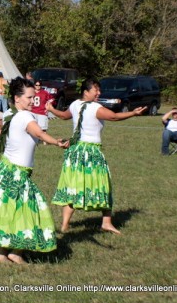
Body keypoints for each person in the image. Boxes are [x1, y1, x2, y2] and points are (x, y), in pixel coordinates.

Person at [0, 77, 69, 264]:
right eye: (29, 97)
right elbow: (37, 132)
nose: (32, 100)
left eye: (33, 97)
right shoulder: (24, 116)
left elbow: (0, 122)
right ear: (17, 98)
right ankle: (16, 252)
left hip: (6, 170)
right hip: (16, 174)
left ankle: (2, 254)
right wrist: (56, 142)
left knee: (10, 213)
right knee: (33, 210)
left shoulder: (12, 114)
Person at [46, 79, 147, 235]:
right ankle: (106, 222)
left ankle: (65, 225)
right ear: (86, 92)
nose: (99, 93)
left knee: (74, 187)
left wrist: (51, 109)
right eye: (96, 90)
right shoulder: (95, 108)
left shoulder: (75, 104)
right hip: (90, 152)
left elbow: (63, 116)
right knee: (103, 185)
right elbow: (113, 116)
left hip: (75, 151)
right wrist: (133, 113)